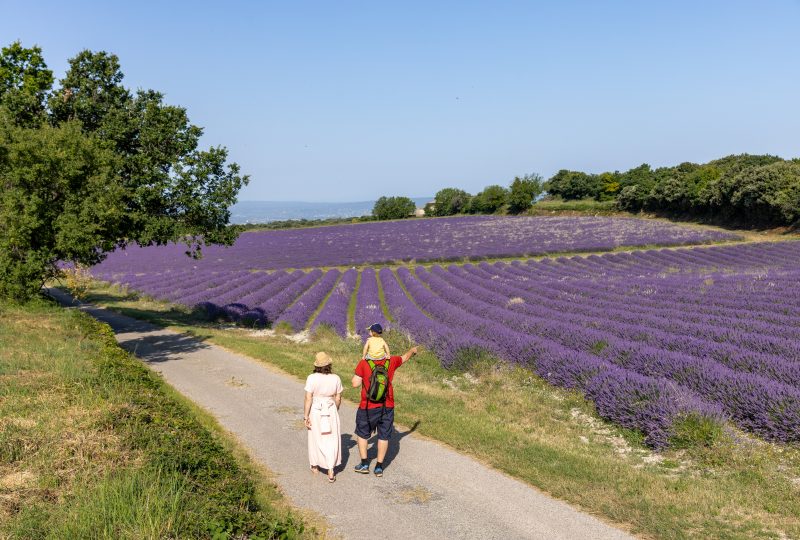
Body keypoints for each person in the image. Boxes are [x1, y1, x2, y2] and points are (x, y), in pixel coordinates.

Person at [351, 345, 418, 477]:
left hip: (368, 406)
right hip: (387, 406)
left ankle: (364, 464)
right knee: (383, 436)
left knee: (362, 433)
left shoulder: (364, 363)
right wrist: (412, 351)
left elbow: (355, 383)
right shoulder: (391, 361)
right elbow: (404, 358)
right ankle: (379, 467)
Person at [304, 351, 343, 483]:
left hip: (316, 410)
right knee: (332, 439)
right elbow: (338, 398)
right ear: (329, 364)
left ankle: (315, 465)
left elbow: (308, 398)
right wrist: (335, 409)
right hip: (330, 409)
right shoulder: (336, 378)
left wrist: (305, 416)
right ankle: (331, 469)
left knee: (315, 437)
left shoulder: (312, 378)